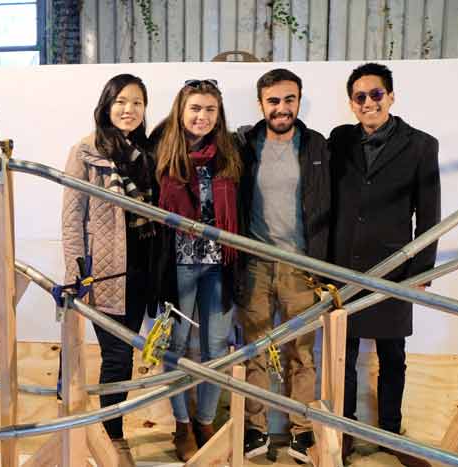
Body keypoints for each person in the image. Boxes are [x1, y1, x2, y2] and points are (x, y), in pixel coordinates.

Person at [330, 62, 440, 467]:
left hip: (394, 268)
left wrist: (422, 272)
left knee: (393, 356)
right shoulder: (339, 140)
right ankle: (343, 433)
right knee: (342, 354)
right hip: (343, 267)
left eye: (376, 94)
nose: (368, 103)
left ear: (390, 96)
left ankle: (393, 436)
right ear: (351, 104)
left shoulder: (421, 145)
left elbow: (429, 215)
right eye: (360, 97)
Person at [233, 68, 331, 463]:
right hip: (254, 263)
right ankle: (253, 431)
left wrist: (323, 265)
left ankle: (302, 433)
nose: (282, 108)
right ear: (261, 104)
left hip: (300, 266)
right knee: (254, 349)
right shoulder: (243, 144)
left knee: (302, 354)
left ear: (298, 101)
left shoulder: (317, 145)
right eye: (273, 101)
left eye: (289, 100)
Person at [61, 73, 157, 467]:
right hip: (104, 271)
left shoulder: (149, 152)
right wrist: (74, 273)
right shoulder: (86, 151)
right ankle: (111, 439)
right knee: (116, 356)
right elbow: (71, 218)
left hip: (144, 268)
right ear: (106, 105)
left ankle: (108, 431)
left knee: (127, 355)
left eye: (136, 102)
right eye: (120, 101)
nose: (128, 109)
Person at [153, 79, 242, 461]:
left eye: (209, 109)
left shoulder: (230, 153)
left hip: (220, 265)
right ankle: (181, 424)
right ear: (181, 111)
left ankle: (205, 419)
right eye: (195, 108)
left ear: (218, 115)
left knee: (216, 348)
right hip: (176, 265)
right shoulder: (161, 148)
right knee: (173, 346)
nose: (202, 116)